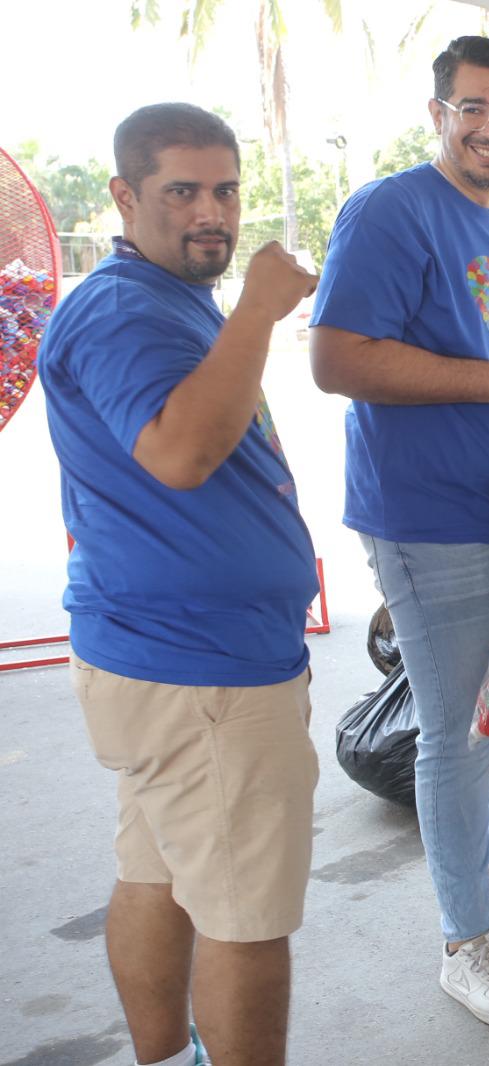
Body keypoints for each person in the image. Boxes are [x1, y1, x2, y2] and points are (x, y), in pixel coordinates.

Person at [310, 36, 489, 1029]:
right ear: (436, 113)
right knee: (459, 728)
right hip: (427, 513)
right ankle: (464, 942)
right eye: (473, 106)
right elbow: (338, 359)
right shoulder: (390, 212)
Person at [37, 103, 320, 1066]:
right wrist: (257, 310)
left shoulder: (164, 298)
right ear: (124, 197)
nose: (214, 213)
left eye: (227, 190)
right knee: (246, 914)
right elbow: (183, 451)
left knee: (159, 875)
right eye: (183, 192)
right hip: (203, 669)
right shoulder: (126, 309)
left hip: (171, 658)